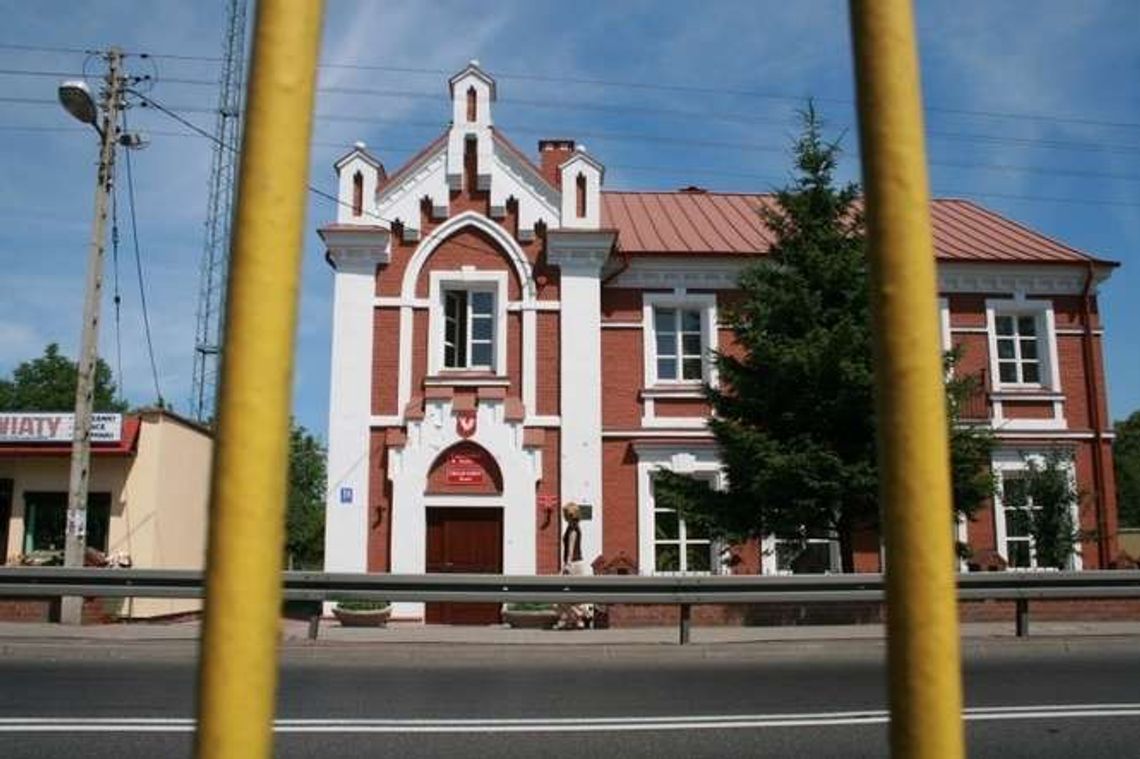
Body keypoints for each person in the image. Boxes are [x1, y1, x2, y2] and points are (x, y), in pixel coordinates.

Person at [557, 502, 592, 628]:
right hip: (576, 564)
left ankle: (584, 613)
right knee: (573, 595)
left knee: (559, 593)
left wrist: (567, 565)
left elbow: (571, 548)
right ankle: (577, 621)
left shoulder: (572, 529)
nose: (563, 516)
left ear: (569, 515)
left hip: (573, 564)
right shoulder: (574, 527)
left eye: (564, 513)